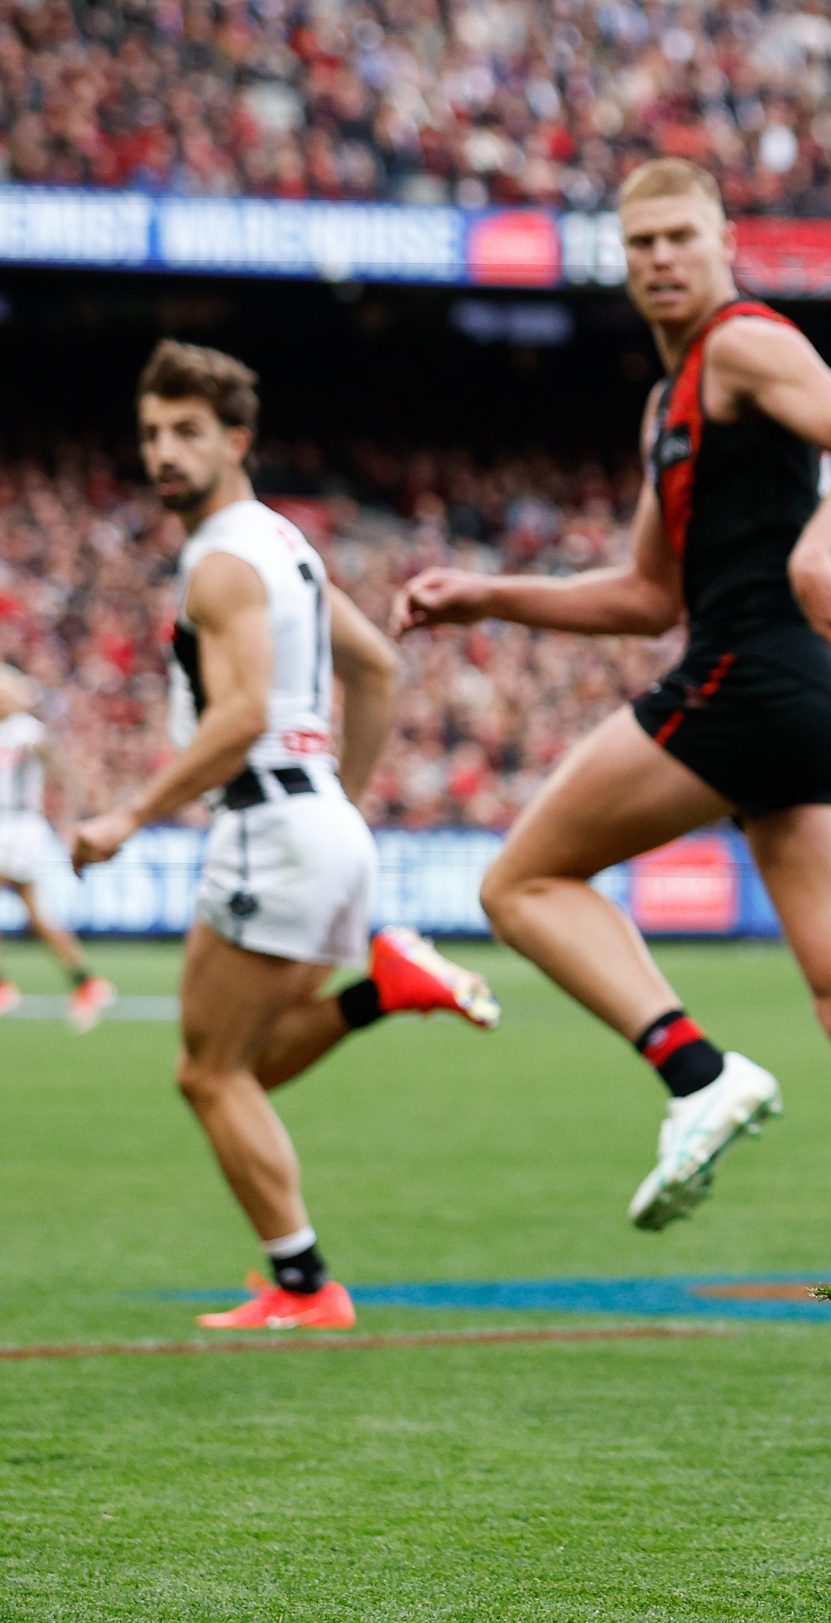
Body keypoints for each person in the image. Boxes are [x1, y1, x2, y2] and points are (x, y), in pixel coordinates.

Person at [393, 158, 831, 1258]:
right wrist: (489, 595)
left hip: (760, 677)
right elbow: (645, 596)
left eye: (681, 236)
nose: (662, 260)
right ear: (623, 265)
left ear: (725, 240)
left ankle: (697, 1070)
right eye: (641, 246)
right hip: (825, 706)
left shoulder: (744, 343)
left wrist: (821, 549)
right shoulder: (667, 403)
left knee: (520, 880)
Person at [72, 341, 499, 1329]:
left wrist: (128, 816)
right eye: (149, 434)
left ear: (237, 440)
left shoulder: (220, 559)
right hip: (321, 826)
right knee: (245, 1068)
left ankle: (305, 1287)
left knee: (206, 1072)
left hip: (270, 827)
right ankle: (386, 987)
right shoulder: (285, 544)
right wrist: (340, 802)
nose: (163, 452)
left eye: (185, 432)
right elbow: (378, 672)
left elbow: (238, 715)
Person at [0, 666, 116, 1029]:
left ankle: (10, 987)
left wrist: (69, 818)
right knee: (37, 914)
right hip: (8, 827)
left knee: (37, 912)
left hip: (17, 828)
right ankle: (84, 981)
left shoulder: (25, 731)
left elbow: (64, 772)